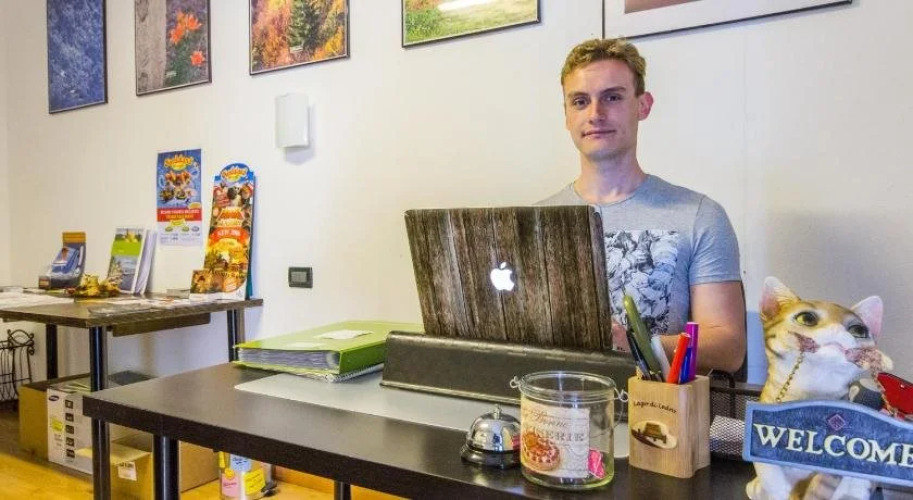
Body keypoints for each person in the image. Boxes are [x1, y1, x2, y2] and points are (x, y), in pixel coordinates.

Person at [539, 38, 746, 375]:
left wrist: (637, 345)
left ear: (643, 105)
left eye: (612, 97)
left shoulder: (699, 216)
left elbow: (728, 347)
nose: (595, 114)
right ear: (566, 115)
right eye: (580, 101)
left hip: (653, 407)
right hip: (549, 402)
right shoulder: (536, 222)